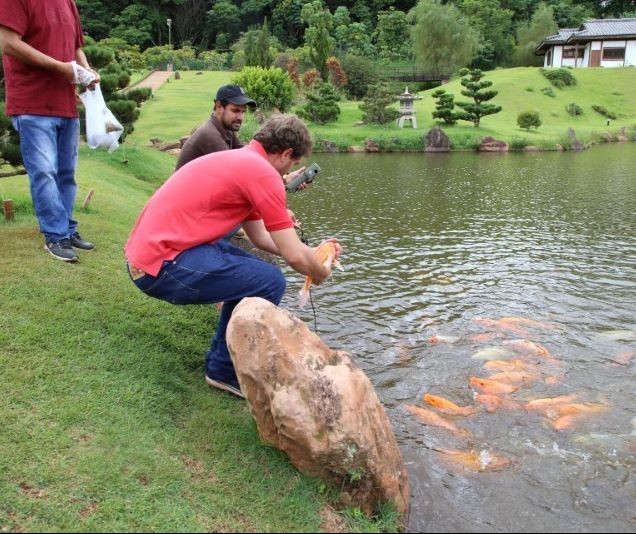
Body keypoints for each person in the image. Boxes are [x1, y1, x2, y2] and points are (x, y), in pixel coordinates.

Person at [125, 114, 342, 398]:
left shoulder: (245, 160)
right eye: (293, 163)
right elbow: (292, 255)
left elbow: (259, 237)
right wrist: (319, 270)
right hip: (160, 266)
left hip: (150, 257)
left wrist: (311, 254)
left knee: (257, 271)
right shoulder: (262, 173)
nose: (291, 170)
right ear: (286, 153)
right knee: (271, 281)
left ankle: (223, 359)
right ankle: (224, 370)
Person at [0, 0, 99, 262]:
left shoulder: (68, 2)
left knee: (67, 173)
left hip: (65, 103)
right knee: (44, 172)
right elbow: (7, 42)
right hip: (32, 102)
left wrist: (86, 70)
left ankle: (67, 229)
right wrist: (62, 68)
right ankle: (55, 235)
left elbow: (76, 47)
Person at [175, 84, 256, 171]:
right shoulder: (210, 134)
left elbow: (245, 154)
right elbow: (234, 170)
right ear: (219, 107)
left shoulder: (226, 129)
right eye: (235, 111)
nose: (240, 117)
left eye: (243, 112)